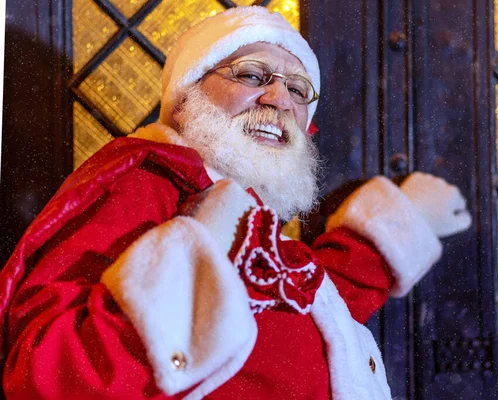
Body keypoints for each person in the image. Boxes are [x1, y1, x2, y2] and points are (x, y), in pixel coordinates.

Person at [0, 6, 472, 400]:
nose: (278, 99)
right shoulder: (146, 181)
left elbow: (303, 301)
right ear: (186, 98)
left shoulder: (244, 216)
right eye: (251, 75)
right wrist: (196, 249)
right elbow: (42, 373)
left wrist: (396, 227)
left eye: (297, 89)